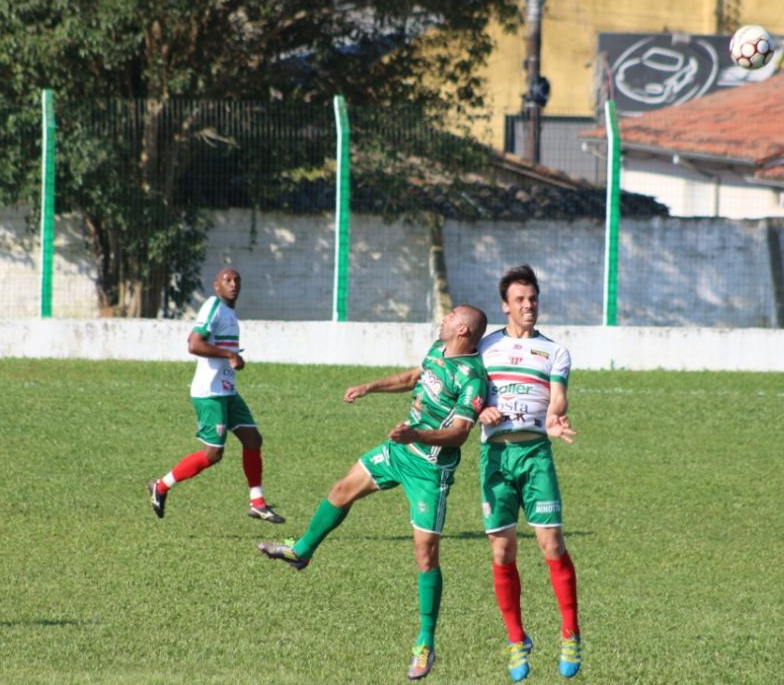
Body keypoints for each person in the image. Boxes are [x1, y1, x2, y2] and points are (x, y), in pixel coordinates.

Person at [257, 304, 490, 682]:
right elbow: (417, 376)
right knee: (341, 490)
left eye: (451, 315)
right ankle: (301, 551)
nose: (444, 316)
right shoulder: (437, 349)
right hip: (399, 449)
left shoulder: (472, 378)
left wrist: (416, 434)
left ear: (463, 330)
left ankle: (425, 642)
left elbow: (461, 433)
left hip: (430, 469)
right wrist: (371, 387)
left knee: (426, 555)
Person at [476, 264, 582, 682]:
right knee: (502, 552)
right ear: (505, 305)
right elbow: (469, 396)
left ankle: (571, 633)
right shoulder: (484, 349)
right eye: (519, 300)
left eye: (533, 298)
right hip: (496, 458)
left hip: (535, 454)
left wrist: (555, 418)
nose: (528, 305)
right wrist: (478, 408)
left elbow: (557, 397)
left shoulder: (555, 351)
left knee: (551, 544)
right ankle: (516, 640)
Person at [146, 268, 285, 524]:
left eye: (237, 280)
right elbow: (194, 344)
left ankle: (257, 503)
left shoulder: (229, 312)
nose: (233, 285)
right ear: (216, 286)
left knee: (253, 439)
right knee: (213, 454)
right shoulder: (214, 306)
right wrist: (230, 355)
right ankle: (161, 486)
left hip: (227, 390)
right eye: (227, 280)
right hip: (210, 392)